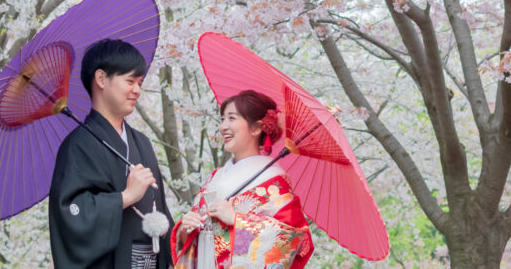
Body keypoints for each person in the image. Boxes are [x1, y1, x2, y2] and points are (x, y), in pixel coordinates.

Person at [49, 38, 174, 269]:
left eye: (140, 82)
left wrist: (179, 236)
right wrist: (125, 197)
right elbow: (70, 215)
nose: (137, 90)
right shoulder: (77, 146)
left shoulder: (142, 143)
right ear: (101, 79)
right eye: (130, 81)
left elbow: (160, 209)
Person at [170, 89, 313, 268]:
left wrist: (237, 220)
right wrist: (186, 231)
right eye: (222, 119)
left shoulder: (274, 182)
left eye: (232, 118)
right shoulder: (216, 176)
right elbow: (198, 237)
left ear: (255, 128)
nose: (222, 127)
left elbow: (295, 240)